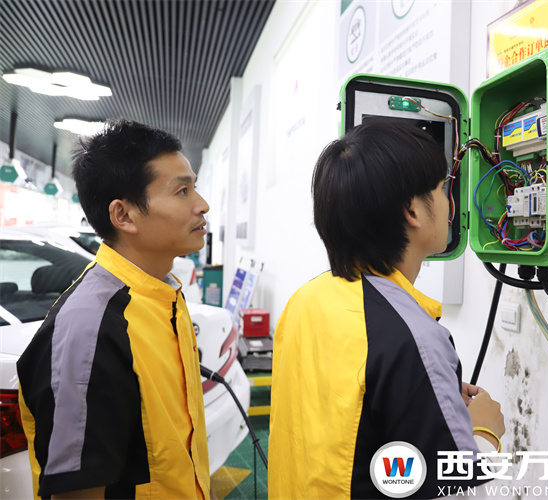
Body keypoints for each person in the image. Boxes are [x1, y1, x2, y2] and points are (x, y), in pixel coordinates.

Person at [268, 122, 506, 499]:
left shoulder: (304, 299)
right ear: (413, 210)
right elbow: (447, 486)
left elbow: (342, 403)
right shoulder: (414, 339)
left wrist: (419, 392)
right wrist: (484, 432)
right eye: (442, 188)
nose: (450, 201)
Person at [16, 119, 213, 499]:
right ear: (123, 215)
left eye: (194, 187)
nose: (201, 205)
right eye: (182, 191)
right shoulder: (90, 329)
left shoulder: (162, 296)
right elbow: (77, 492)